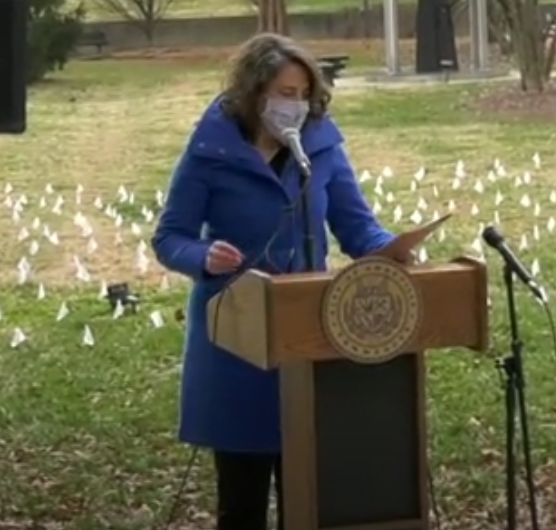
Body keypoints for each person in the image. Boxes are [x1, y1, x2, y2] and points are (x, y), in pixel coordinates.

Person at [151, 33, 405, 530]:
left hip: (310, 338)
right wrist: (204, 255)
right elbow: (169, 237)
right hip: (236, 342)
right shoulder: (211, 151)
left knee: (310, 501)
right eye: (284, 93)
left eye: (303, 94)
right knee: (241, 505)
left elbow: (358, 227)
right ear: (254, 93)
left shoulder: (322, 148)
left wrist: (392, 249)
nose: (296, 105)